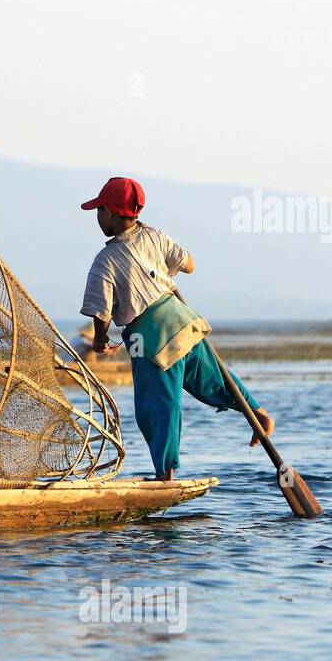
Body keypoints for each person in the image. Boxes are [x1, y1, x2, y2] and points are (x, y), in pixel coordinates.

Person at [77, 177, 274, 481]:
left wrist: (100, 340)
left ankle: (165, 474)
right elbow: (190, 265)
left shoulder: (105, 261)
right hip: (183, 320)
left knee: (156, 406)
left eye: (100, 210)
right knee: (215, 380)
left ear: (113, 214)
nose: (97, 216)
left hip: (149, 336)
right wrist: (161, 267)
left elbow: (101, 313)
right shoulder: (155, 237)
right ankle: (256, 411)